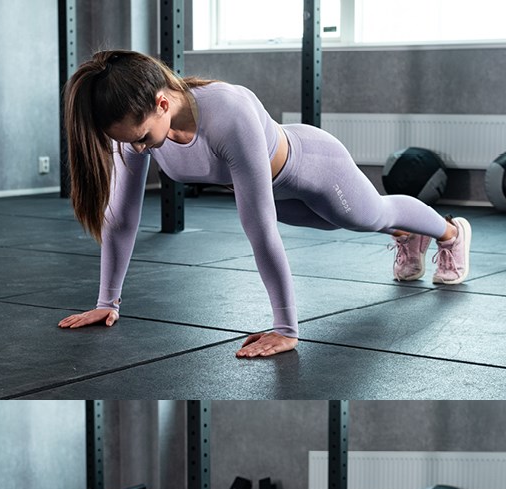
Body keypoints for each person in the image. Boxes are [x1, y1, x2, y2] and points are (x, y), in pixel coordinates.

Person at [57, 50, 472, 359]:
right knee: (336, 224)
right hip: (277, 191)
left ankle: (452, 234)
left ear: (162, 104)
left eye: (142, 137)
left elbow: (259, 229)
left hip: (314, 166)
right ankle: (408, 235)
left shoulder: (227, 114)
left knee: (368, 216)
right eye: (129, 141)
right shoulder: (136, 127)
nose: (137, 148)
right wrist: (106, 302)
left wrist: (286, 328)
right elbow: (122, 219)